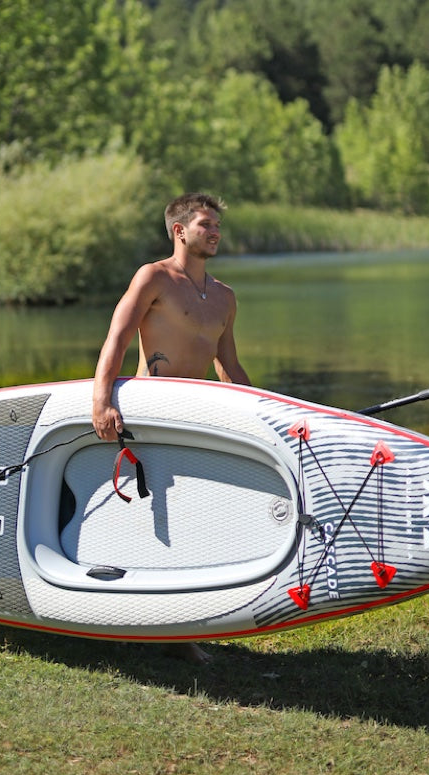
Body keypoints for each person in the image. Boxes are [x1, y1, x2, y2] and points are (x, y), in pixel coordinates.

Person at [91, 192, 250, 664]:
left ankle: (176, 629)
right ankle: (115, 620)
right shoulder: (154, 277)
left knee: (191, 518)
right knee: (142, 518)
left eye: (217, 223)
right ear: (180, 231)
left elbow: (230, 366)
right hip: (149, 412)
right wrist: (102, 400)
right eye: (205, 223)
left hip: (194, 415)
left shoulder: (224, 297)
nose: (215, 231)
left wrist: (265, 413)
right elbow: (117, 336)